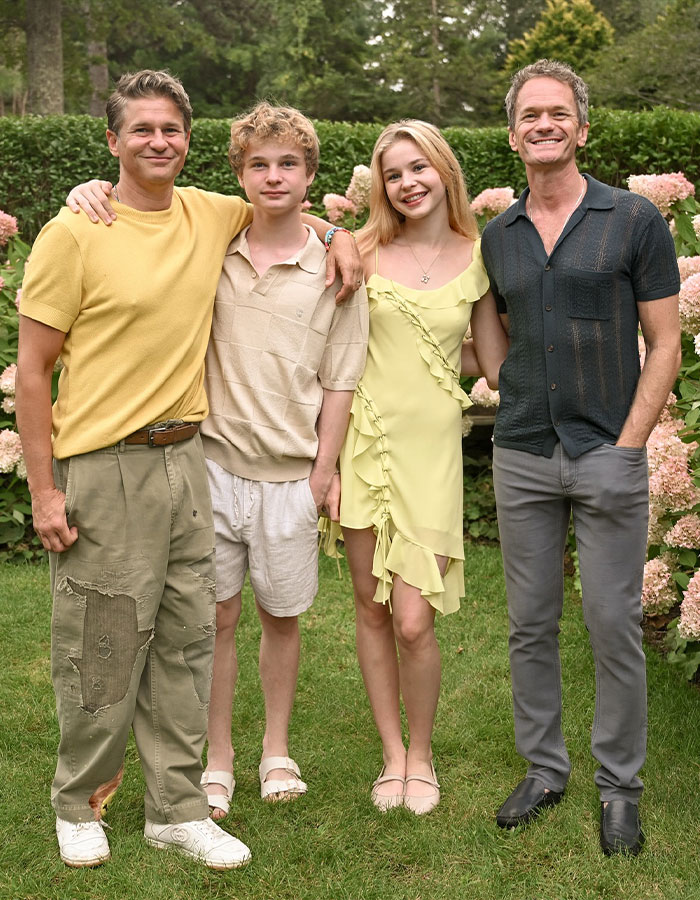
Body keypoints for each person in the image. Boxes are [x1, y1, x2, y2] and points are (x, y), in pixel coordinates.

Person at [16, 70, 360, 871]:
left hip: (190, 463)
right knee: (102, 638)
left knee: (185, 642)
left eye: (171, 128)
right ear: (112, 142)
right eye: (141, 129)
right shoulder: (75, 232)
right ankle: (79, 801)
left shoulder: (212, 212)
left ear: (188, 140)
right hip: (105, 464)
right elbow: (34, 371)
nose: (159, 141)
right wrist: (44, 490)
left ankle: (175, 808)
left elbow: (287, 209)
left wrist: (342, 235)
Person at [481, 59, 681, 855]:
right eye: (530, 115)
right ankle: (543, 770)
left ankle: (620, 789)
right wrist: (509, 384)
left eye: (558, 113)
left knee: (612, 623)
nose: (544, 124)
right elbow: (485, 319)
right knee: (529, 626)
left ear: (582, 128)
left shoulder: (633, 220)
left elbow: (665, 343)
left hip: (607, 451)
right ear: (513, 133)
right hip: (523, 451)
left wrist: (630, 444)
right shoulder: (499, 234)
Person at [326, 119, 507, 815]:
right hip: (363, 446)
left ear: (444, 171)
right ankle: (391, 757)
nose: (407, 183)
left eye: (418, 168)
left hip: (432, 453)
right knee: (371, 609)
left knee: (412, 620)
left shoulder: (479, 255)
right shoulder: (359, 249)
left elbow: (491, 364)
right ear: (382, 185)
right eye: (393, 173)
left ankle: (423, 754)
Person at [199, 102, 367, 819]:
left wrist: (322, 474)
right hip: (209, 463)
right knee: (216, 618)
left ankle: (275, 747)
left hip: (290, 476)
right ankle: (217, 757)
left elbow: (340, 378)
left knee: (280, 616)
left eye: (288, 164)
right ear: (238, 173)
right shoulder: (212, 247)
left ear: (310, 175)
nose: (273, 176)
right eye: (259, 164)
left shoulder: (334, 266)